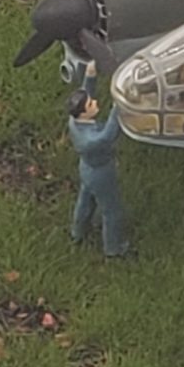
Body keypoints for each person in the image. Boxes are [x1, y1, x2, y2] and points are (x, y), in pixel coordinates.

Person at [68, 89, 131, 258]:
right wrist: (117, 107)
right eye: (90, 104)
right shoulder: (91, 140)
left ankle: (78, 231)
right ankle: (114, 248)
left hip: (86, 168)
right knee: (112, 210)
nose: (95, 103)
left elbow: (85, 91)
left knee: (85, 200)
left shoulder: (74, 122)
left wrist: (90, 78)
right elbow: (107, 136)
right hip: (100, 173)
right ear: (83, 113)